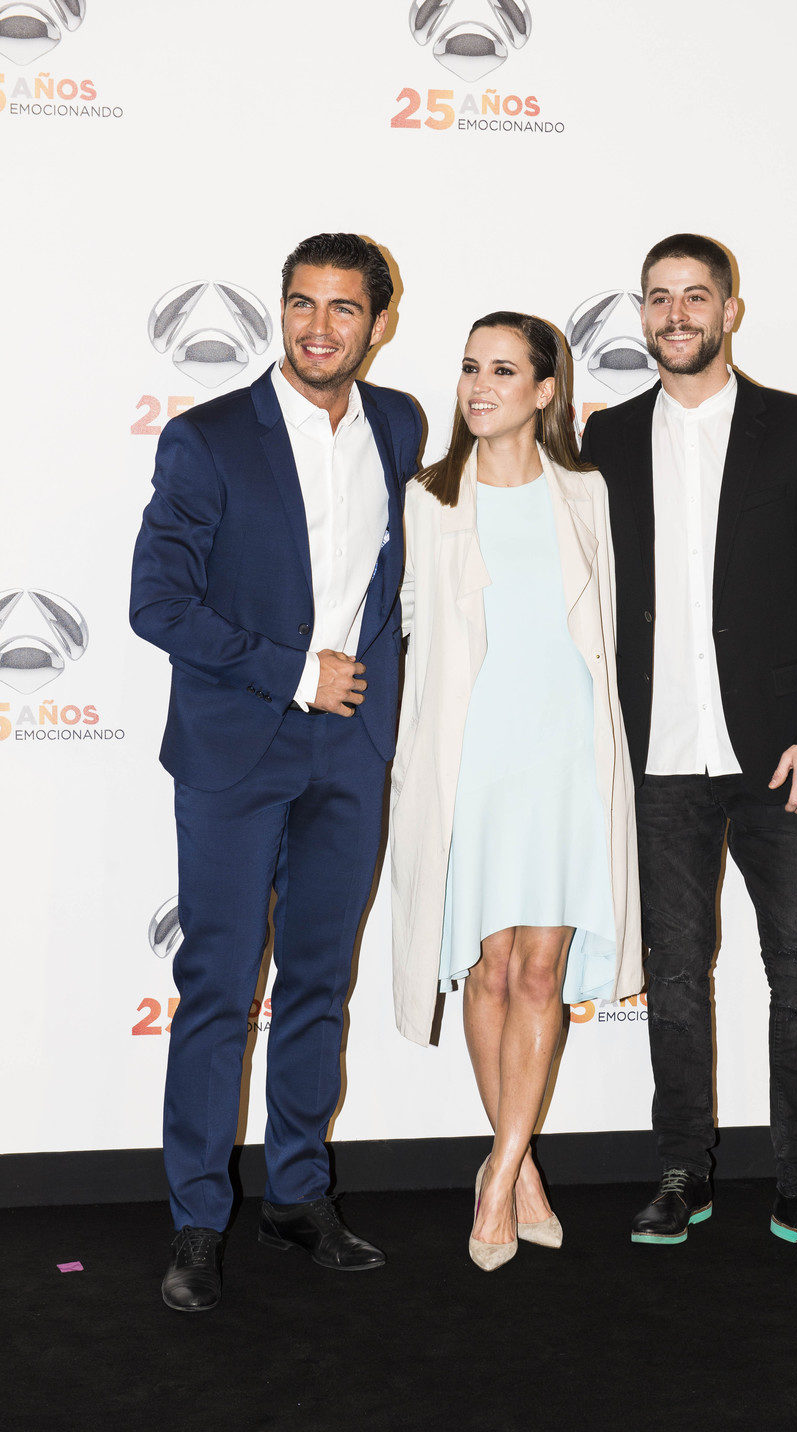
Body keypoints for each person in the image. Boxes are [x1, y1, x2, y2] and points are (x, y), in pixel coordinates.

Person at [131, 233, 422, 1311]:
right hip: (235, 746)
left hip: (350, 747)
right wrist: (296, 673)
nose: (317, 327)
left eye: (342, 308)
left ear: (377, 322)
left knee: (317, 981)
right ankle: (198, 1218)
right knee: (217, 985)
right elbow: (156, 603)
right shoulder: (207, 437)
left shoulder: (399, 424)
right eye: (301, 303)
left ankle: (298, 1195)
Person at [581, 234, 797, 1272]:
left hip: (781, 760)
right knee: (672, 977)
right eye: (658, 298)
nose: (675, 314)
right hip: (657, 760)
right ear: (642, 313)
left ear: (728, 311)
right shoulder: (606, 437)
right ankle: (681, 1171)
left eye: (694, 296)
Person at [390, 311, 643, 1270]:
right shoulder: (429, 497)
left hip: (568, 758)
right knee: (490, 970)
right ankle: (520, 1166)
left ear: (545, 391)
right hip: (473, 761)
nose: (479, 386)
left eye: (503, 370)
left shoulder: (587, 493)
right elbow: (407, 627)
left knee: (543, 971)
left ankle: (496, 1176)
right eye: (469, 368)